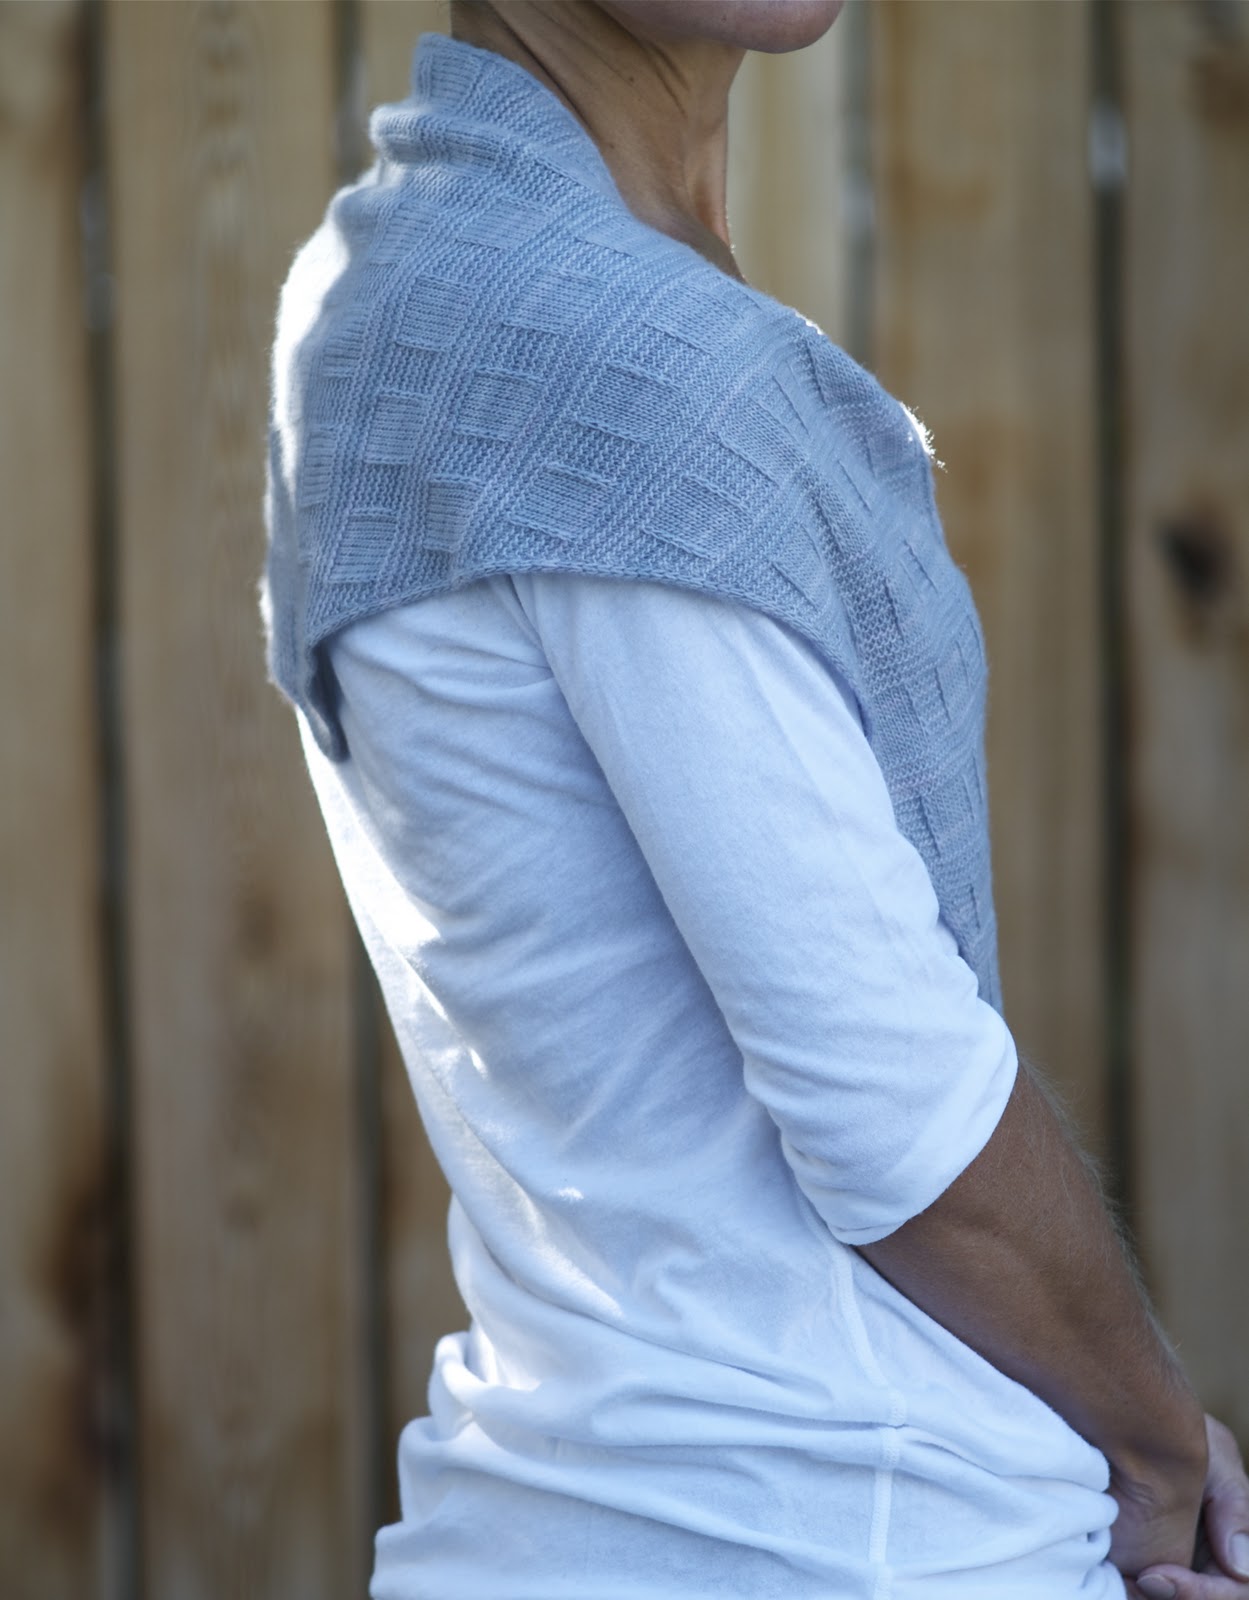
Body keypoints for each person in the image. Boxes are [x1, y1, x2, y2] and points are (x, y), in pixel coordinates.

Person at [259, 3, 1249, 1595]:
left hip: (597, 1496)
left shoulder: (397, 283)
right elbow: (886, 1099)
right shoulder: (604, 355)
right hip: (831, 1526)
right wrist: (1154, 1443)